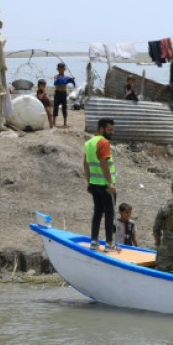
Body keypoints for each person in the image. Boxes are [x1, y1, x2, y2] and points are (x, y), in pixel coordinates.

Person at [83, 118, 116, 252]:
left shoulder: (89, 143)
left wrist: (89, 181)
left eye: (113, 130)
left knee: (97, 213)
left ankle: (94, 241)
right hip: (105, 185)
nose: (111, 133)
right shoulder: (103, 142)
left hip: (94, 184)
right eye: (109, 130)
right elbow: (104, 163)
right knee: (109, 213)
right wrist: (111, 183)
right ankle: (109, 243)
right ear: (101, 129)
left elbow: (85, 164)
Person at [52, 62, 75, 127]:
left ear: (64, 69)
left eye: (62, 69)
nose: (61, 70)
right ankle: (54, 123)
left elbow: (70, 81)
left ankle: (65, 123)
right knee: (55, 107)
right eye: (60, 69)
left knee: (64, 108)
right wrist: (64, 80)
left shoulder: (66, 77)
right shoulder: (56, 77)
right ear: (58, 69)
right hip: (57, 93)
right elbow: (57, 82)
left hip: (63, 93)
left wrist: (72, 79)